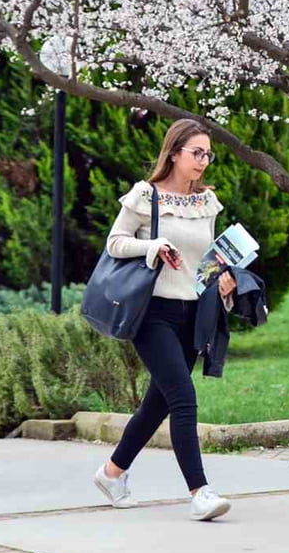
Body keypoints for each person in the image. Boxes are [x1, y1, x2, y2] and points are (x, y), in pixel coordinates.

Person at [93, 120, 239, 521]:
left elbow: (206, 258)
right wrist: (152, 245)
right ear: (174, 152)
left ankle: (111, 474)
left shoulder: (206, 203)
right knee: (183, 398)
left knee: (156, 406)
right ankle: (200, 492)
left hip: (193, 313)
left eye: (208, 154)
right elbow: (115, 243)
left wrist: (223, 279)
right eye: (197, 153)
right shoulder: (146, 196)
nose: (204, 161)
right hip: (152, 312)